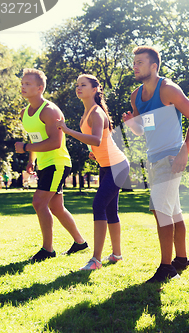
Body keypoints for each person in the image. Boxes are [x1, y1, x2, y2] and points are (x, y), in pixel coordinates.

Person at [122, 46, 189, 283]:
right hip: (153, 159)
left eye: (140, 62)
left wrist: (183, 152)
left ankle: (167, 267)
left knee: (161, 212)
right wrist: (131, 124)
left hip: (170, 157)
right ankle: (181, 259)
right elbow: (141, 130)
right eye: (134, 62)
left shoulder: (168, 89)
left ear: (154, 66)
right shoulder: (135, 96)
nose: (134, 66)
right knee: (173, 211)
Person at [56, 74, 130, 270]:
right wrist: (93, 153)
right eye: (77, 84)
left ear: (95, 89)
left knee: (98, 205)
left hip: (117, 166)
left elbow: (96, 139)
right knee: (110, 210)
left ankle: (96, 260)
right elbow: (99, 142)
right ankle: (116, 255)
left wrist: (67, 130)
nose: (78, 88)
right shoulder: (88, 112)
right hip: (106, 166)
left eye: (83, 85)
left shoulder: (96, 113)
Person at [14, 68, 88, 262]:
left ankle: (48, 250)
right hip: (44, 163)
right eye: (22, 83)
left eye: (27, 84)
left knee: (39, 202)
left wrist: (25, 147)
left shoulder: (49, 110)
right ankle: (80, 243)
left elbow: (55, 142)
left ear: (40, 88)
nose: (23, 86)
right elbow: (36, 138)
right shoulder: (25, 113)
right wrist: (31, 159)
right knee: (56, 207)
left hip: (58, 163)